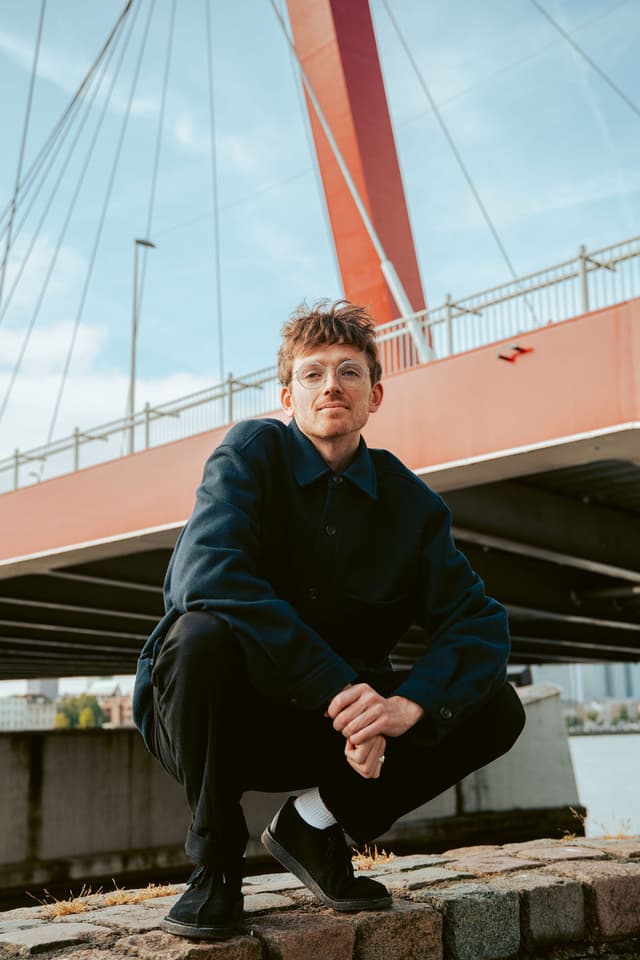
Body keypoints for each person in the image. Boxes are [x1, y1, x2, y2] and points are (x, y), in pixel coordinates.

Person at [132, 299, 525, 941]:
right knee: (198, 633)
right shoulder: (248, 455)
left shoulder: (411, 504)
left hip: (334, 738)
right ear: (288, 396)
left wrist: (406, 707)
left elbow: (479, 623)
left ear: (375, 394)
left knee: (496, 706)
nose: (331, 386)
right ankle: (216, 864)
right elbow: (205, 578)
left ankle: (311, 825)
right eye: (313, 374)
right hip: (220, 721)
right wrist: (340, 688)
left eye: (349, 372)